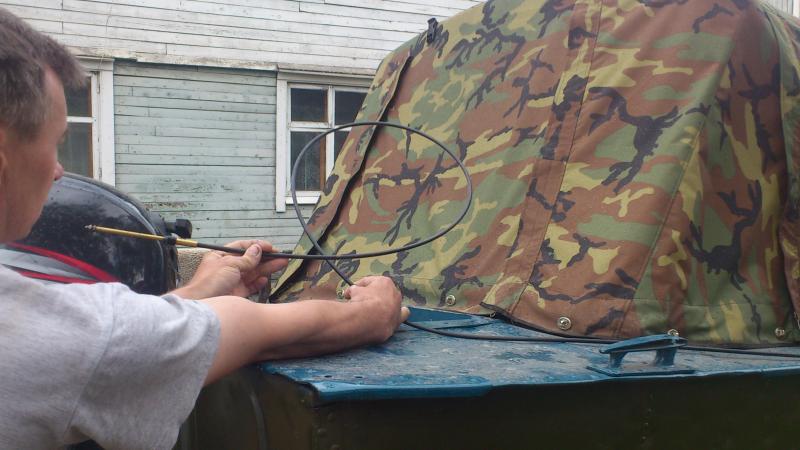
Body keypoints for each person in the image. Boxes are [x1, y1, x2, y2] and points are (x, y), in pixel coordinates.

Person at [0, 7, 409, 449]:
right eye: (56, 143)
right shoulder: (42, 335)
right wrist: (371, 315)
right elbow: (248, 329)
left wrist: (201, 290)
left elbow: (116, 341)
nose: (59, 171)